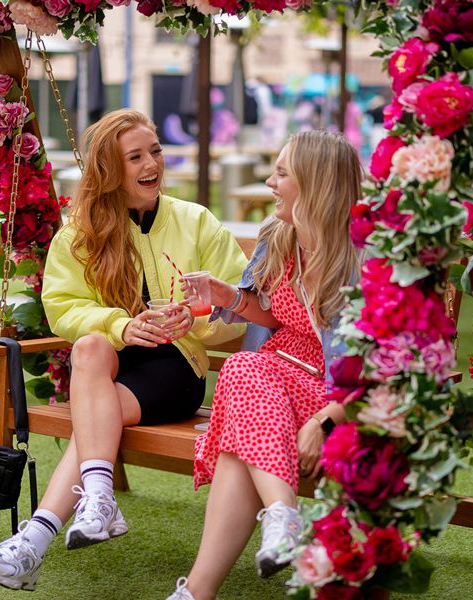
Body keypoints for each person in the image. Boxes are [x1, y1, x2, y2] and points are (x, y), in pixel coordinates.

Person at [0, 109, 247, 591]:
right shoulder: (83, 231)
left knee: (90, 418)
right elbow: (63, 308)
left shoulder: (195, 220)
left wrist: (197, 317)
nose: (151, 164)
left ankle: (37, 538)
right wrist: (120, 326)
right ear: (108, 170)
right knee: (92, 347)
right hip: (112, 365)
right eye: (135, 156)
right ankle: (87, 504)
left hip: (175, 366)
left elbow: (240, 304)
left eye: (155, 151)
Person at [167, 130, 362, 600]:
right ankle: (277, 523)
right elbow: (277, 317)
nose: (270, 182)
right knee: (245, 374)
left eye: (282, 173)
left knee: (241, 383)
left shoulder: (364, 256)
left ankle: (199, 589)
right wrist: (225, 296)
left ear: (314, 183)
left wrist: (325, 420)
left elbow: (386, 369)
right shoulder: (280, 239)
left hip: (336, 397)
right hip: (275, 387)